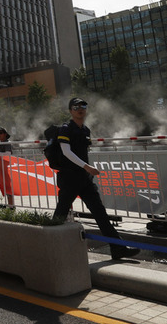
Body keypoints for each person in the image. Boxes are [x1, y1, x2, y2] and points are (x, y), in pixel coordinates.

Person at [52, 98, 139, 260]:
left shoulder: (85, 130)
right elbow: (66, 152)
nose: (80, 109)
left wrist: (86, 170)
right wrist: (86, 166)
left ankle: (117, 248)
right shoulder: (65, 129)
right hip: (70, 178)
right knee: (60, 213)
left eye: (83, 106)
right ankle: (49, 248)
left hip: (84, 179)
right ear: (70, 110)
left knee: (100, 213)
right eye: (76, 107)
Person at [0, 127, 15, 207]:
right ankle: (9, 205)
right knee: (4, 187)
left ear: (5, 134)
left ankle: (11, 206)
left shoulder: (7, 143)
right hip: (0, 167)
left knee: (8, 187)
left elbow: (7, 154)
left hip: (6, 167)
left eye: (1, 133)